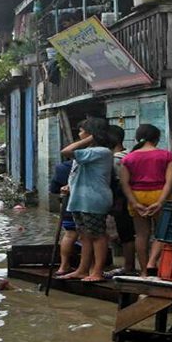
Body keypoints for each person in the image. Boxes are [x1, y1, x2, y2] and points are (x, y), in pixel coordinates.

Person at [58, 119, 114, 283]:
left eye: (82, 131)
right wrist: (69, 185)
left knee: (97, 236)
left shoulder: (101, 151)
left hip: (93, 199)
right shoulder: (89, 151)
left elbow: (66, 151)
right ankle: (82, 270)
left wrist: (89, 139)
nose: (79, 134)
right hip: (80, 199)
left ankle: (97, 271)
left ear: (91, 134)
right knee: (84, 236)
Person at [120, 124, 172, 277]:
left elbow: (124, 183)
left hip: (137, 195)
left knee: (141, 234)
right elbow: (169, 181)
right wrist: (160, 202)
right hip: (159, 194)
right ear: (157, 138)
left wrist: (134, 203)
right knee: (162, 233)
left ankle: (144, 272)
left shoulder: (128, 158)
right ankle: (153, 262)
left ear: (138, 138)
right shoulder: (167, 155)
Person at [105, 124, 137, 276]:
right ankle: (128, 265)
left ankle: (128, 266)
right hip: (132, 199)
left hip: (121, 201)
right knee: (129, 233)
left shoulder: (115, 160)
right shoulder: (130, 154)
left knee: (124, 234)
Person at [49, 159, 78, 275]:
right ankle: (89, 268)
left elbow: (54, 189)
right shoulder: (91, 163)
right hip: (85, 205)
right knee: (88, 237)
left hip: (67, 205)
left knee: (69, 234)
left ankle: (64, 266)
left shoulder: (62, 167)